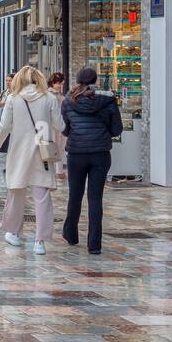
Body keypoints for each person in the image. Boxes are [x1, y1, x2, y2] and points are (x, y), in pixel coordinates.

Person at [0, 66, 64, 255]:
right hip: (42, 151)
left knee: (16, 193)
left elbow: (4, 126)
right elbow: (60, 125)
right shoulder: (49, 98)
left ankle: (14, 233)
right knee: (42, 197)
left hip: (19, 151)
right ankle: (40, 241)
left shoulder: (13, 99)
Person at [60, 66, 123, 255]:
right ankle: (94, 244)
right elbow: (117, 129)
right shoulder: (108, 101)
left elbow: (65, 128)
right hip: (100, 153)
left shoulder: (68, 101)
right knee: (95, 199)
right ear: (96, 80)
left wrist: (76, 133)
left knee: (75, 195)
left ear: (78, 80)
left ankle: (71, 234)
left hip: (77, 153)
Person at [47, 72, 68, 160]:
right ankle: (56, 171)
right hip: (52, 125)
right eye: (58, 83)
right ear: (52, 82)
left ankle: (59, 170)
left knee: (61, 147)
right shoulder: (49, 95)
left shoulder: (60, 94)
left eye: (62, 83)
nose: (60, 86)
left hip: (60, 124)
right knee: (54, 148)